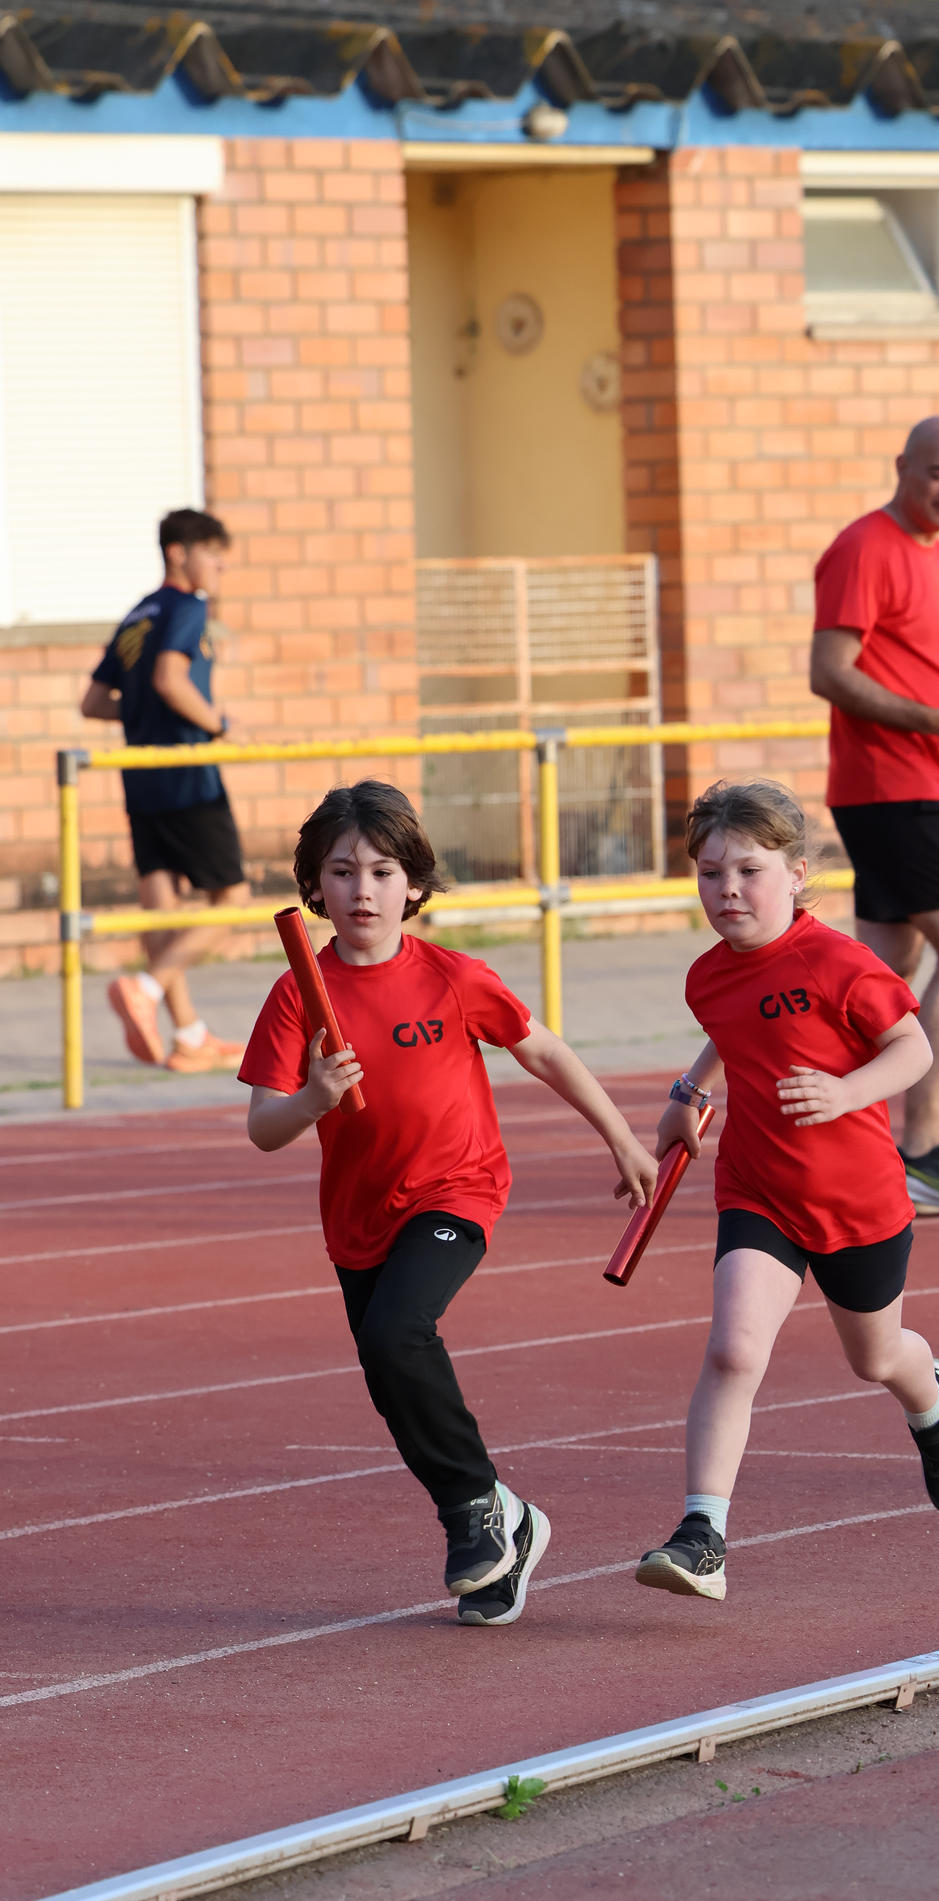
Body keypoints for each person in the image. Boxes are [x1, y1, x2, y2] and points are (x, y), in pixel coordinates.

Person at [239, 780, 658, 1622]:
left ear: (414, 886)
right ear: (312, 886)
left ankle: (474, 1510)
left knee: (399, 1333)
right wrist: (313, 1099)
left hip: (455, 1190)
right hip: (357, 1215)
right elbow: (262, 1127)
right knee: (390, 1375)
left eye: (383, 871)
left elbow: (542, 1051)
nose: (363, 890)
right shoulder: (298, 994)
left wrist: (620, 1137)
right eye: (343, 871)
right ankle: (505, 1524)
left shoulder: (452, 978)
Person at [635, 779, 939, 1603]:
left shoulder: (839, 964)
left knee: (876, 1358)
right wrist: (687, 1097)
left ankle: (932, 1404)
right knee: (732, 1350)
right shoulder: (705, 977)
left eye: (748, 871)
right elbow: (732, 1028)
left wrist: (843, 1092)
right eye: (710, 873)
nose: (727, 890)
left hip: (858, 1200)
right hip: (759, 1190)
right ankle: (702, 1534)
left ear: (795, 874)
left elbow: (912, 1049)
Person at [810, 416, 939, 1216]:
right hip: (888, 784)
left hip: (926, 782)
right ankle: (922, 1152)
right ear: (902, 466)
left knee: (880, 974)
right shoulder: (864, 547)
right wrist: (937, 729)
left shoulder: (934, 559)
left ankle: (814, 1126)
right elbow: (827, 672)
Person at [80, 507, 246, 1074]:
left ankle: (190, 1036)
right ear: (180, 552)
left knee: (162, 911)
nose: (220, 564)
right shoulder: (186, 606)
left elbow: (95, 703)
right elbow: (170, 680)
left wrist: (146, 713)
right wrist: (220, 725)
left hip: (140, 776)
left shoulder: (136, 615)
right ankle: (146, 989)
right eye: (212, 552)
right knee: (234, 899)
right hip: (186, 774)